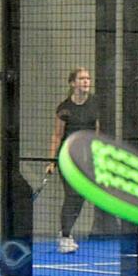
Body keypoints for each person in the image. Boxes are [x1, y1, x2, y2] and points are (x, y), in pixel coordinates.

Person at [46, 67, 100, 254]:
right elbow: (57, 135)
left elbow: (96, 133)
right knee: (72, 195)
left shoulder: (94, 104)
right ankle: (65, 237)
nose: (86, 81)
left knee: (81, 196)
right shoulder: (64, 108)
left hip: (86, 159)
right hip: (67, 158)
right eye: (82, 78)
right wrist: (52, 161)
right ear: (73, 83)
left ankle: (65, 232)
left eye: (88, 78)